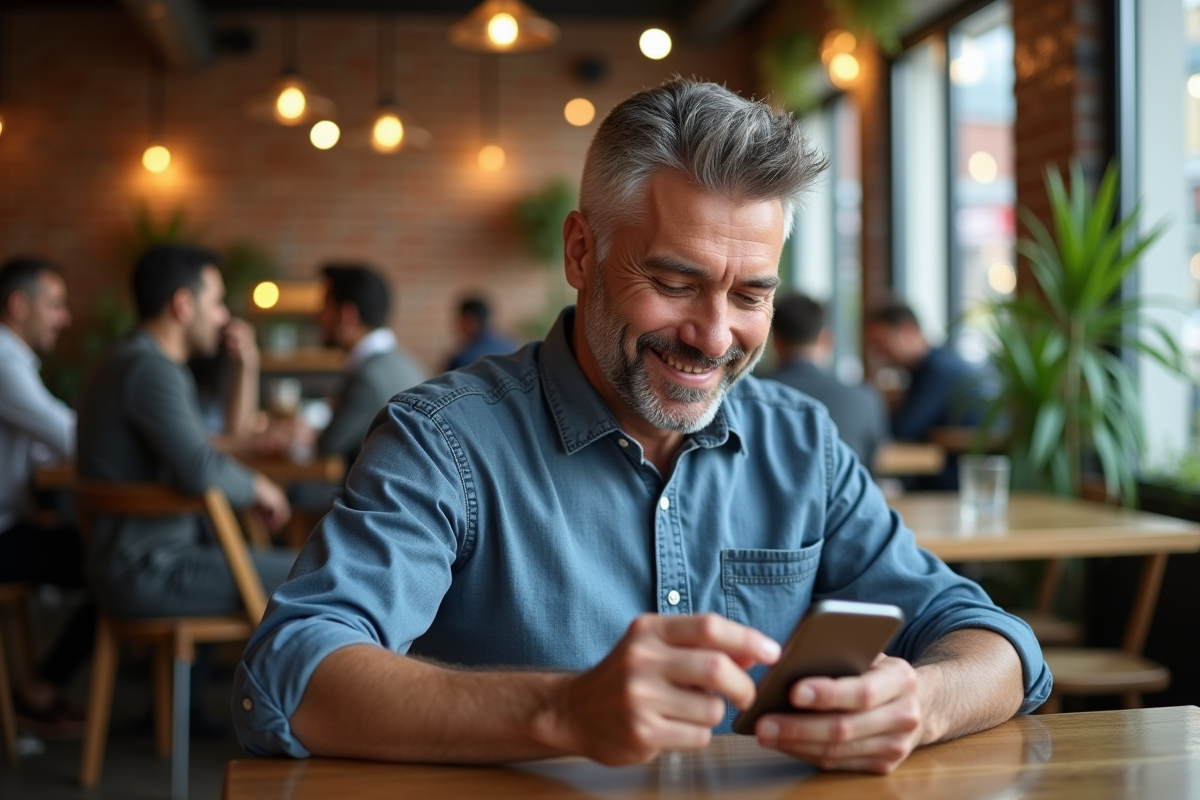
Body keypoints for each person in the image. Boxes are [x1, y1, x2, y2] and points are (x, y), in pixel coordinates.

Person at [233, 79, 1050, 774]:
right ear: (582, 252)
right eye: (673, 281)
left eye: (750, 295)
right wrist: (561, 712)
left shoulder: (800, 442)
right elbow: (291, 669)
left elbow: (992, 639)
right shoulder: (442, 441)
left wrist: (923, 701)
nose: (714, 335)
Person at [76, 244, 295, 618]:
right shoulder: (150, 369)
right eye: (217, 303)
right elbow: (198, 466)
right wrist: (260, 488)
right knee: (321, 573)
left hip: (138, 562)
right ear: (182, 305)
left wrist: (247, 367)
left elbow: (200, 447)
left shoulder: (129, 359)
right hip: (153, 569)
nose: (223, 317)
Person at [0, 256, 92, 737]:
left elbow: (40, 448)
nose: (65, 316)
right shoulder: (2, 359)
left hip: (12, 523)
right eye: (55, 304)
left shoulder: (13, 361)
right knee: (111, 566)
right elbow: (73, 438)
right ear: (18, 305)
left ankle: (39, 689)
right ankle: (38, 693)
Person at [310, 264, 427, 469]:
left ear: (347, 316)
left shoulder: (367, 377)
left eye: (325, 306)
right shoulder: (413, 365)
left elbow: (327, 445)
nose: (318, 317)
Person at [864, 302, 986, 489]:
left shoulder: (938, 371)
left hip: (954, 484)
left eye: (882, 344)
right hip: (946, 476)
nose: (880, 354)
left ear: (907, 331)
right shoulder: (929, 368)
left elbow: (904, 429)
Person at [766, 293, 888, 468]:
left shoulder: (742, 395)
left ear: (774, 339)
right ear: (827, 339)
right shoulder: (864, 398)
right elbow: (872, 464)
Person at [446, 295, 518, 371]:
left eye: (459, 320)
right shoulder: (512, 347)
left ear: (468, 320)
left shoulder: (464, 358)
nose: (457, 325)